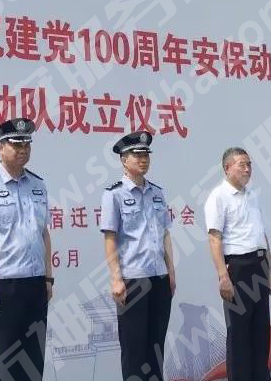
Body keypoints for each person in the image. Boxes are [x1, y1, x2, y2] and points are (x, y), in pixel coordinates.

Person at [0, 118, 52, 381]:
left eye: (26, 144)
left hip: (35, 284)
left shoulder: (38, 184)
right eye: (16, 144)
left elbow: (44, 233)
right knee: (3, 364)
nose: (23, 150)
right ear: (0, 148)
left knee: (33, 362)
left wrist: (48, 278)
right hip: (3, 286)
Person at [100, 131, 176, 381]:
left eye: (146, 155)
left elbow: (165, 234)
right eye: (137, 155)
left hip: (159, 278)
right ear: (124, 160)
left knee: (156, 346)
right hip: (132, 280)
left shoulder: (157, 192)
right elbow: (110, 238)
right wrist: (116, 279)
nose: (143, 159)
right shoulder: (114, 194)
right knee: (134, 349)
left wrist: (171, 272)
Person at [204, 147, 271, 381]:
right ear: (227, 168)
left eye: (249, 164)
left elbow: (262, 235)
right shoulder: (218, 197)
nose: (247, 169)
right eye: (242, 165)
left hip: (259, 265)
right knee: (239, 334)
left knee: (260, 332)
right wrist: (223, 276)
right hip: (238, 268)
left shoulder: (252, 195)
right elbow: (214, 238)